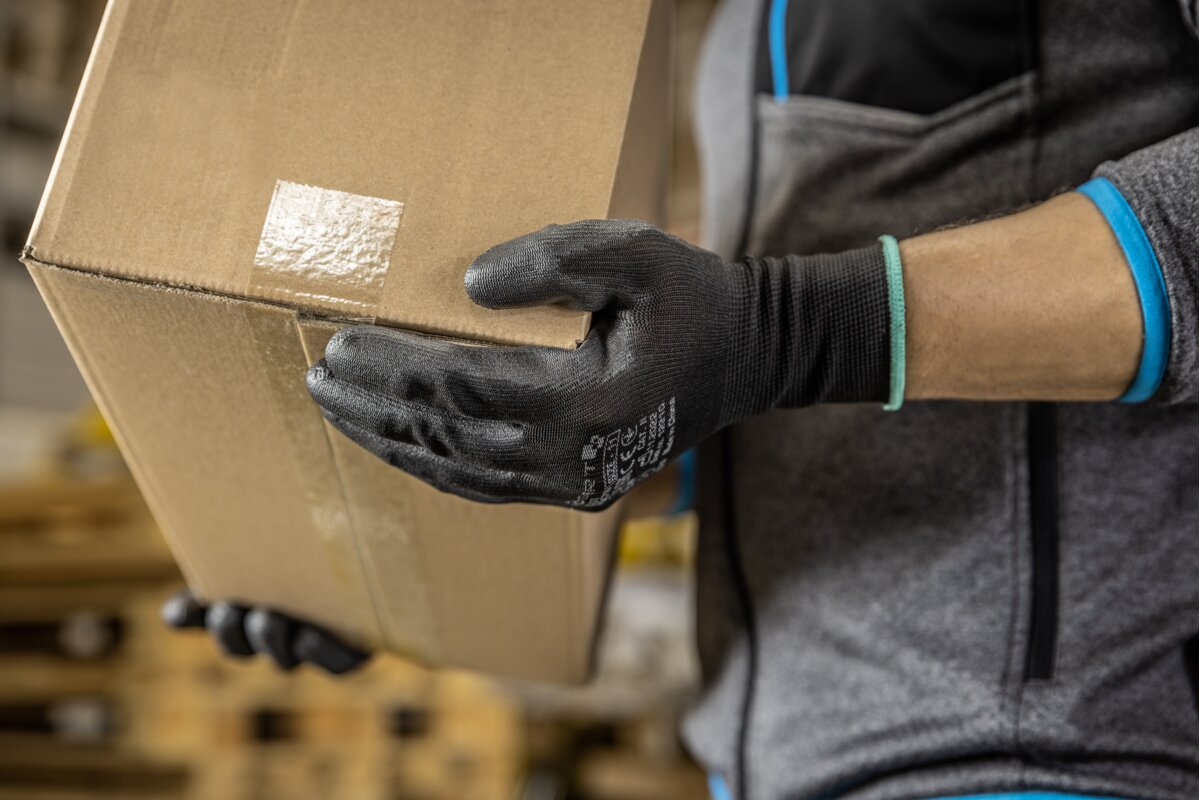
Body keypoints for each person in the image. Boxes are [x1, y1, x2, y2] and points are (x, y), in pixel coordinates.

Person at [163, 1, 1198, 797]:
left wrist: (792, 327)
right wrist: (395, 552)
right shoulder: (739, 28)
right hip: (776, 762)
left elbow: (786, 341)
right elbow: (748, 402)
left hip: (1044, 754)